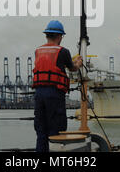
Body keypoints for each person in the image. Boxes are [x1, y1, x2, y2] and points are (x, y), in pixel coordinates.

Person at [32, 20, 83, 152]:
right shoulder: (63, 51)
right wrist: (78, 63)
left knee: (41, 132)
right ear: (60, 36)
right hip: (54, 95)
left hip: (39, 95)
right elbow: (72, 68)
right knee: (56, 131)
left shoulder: (38, 51)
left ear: (47, 35)